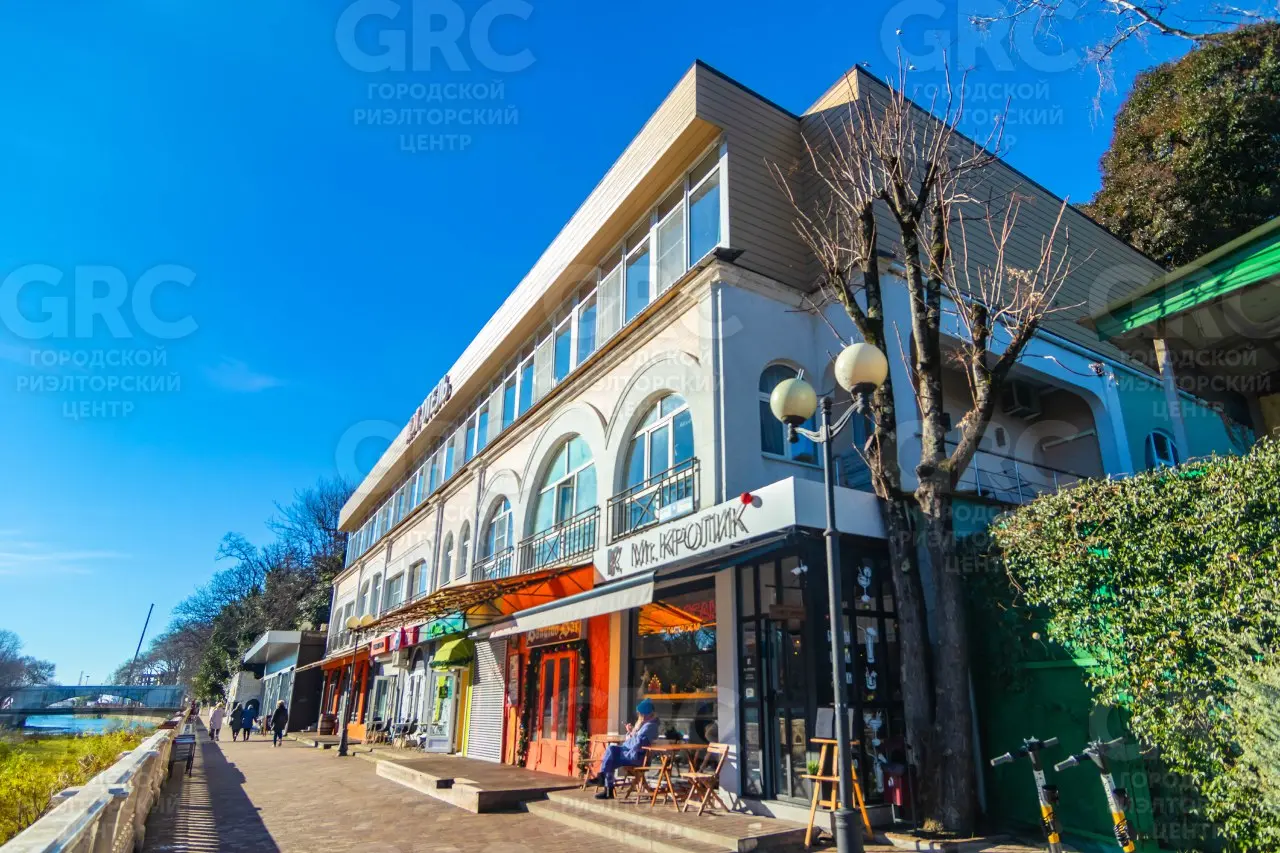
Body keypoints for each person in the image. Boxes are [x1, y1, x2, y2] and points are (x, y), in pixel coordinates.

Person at [589, 698, 660, 800]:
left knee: (611, 755)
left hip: (638, 757)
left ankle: (606, 786)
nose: (639, 716)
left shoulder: (650, 726)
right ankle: (606, 786)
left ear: (646, 714)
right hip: (632, 753)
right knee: (611, 753)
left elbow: (637, 743)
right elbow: (634, 740)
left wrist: (632, 734)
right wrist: (632, 731)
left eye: (641, 714)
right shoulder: (645, 725)